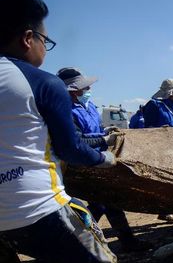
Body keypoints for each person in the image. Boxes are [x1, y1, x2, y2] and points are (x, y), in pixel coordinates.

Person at [0, 0, 117, 263]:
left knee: (56, 255)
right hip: (35, 207)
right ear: (27, 38)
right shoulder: (42, 83)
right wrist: (104, 158)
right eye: (45, 41)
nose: (44, 50)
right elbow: (70, 150)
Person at [58, 67, 150, 252]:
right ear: (73, 90)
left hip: (99, 161)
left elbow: (94, 129)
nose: (88, 91)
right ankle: (79, 242)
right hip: (83, 164)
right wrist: (103, 139)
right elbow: (76, 141)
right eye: (84, 88)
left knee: (106, 203)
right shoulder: (65, 110)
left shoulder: (90, 106)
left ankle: (84, 241)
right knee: (104, 203)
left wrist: (104, 132)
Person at [142, 79, 173, 223]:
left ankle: (168, 209)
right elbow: (147, 129)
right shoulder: (154, 106)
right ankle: (164, 210)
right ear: (169, 94)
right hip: (160, 150)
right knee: (164, 182)